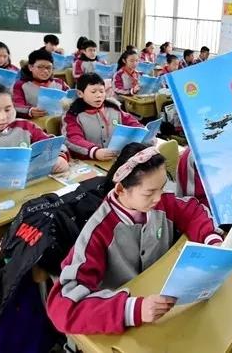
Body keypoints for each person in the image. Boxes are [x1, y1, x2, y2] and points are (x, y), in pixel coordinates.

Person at [46, 142, 222, 334]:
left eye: (162, 188)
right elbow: (63, 308)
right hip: (125, 320)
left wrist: (211, 239)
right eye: (149, 192)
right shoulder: (98, 232)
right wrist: (131, 310)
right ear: (121, 190)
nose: (159, 198)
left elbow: (192, 211)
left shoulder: (159, 202)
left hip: (161, 302)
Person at [63, 73, 143, 160]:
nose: (99, 95)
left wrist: (143, 131)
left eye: (102, 91)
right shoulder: (73, 115)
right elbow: (73, 139)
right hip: (90, 161)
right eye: (93, 92)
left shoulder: (114, 109)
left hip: (116, 158)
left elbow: (132, 122)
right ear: (80, 93)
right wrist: (94, 152)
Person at [13, 49, 69, 118]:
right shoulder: (20, 85)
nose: (45, 71)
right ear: (30, 67)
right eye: (40, 67)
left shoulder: (59, 83)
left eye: (49, 67)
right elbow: (17, 106)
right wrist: (29, 111)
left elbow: (71, 98)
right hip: (36, 121)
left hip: (60, 119)